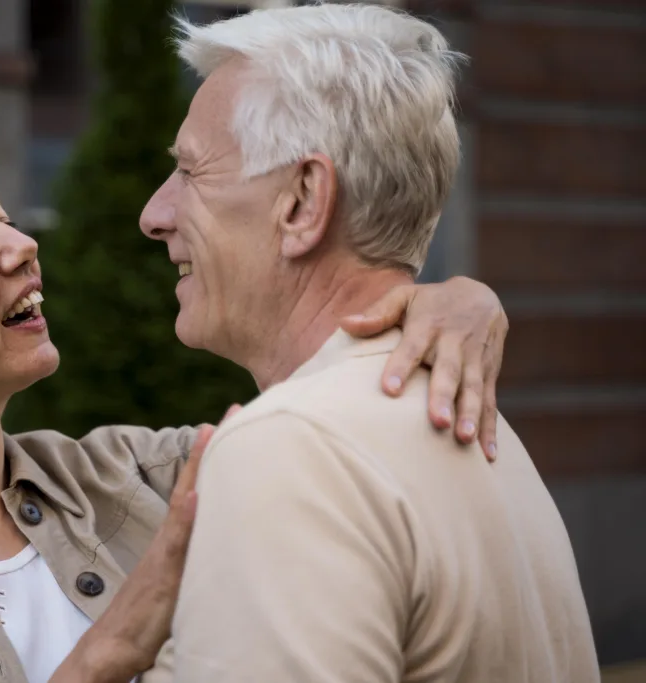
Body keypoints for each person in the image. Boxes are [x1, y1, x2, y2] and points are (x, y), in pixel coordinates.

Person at [0, 134, 507, 683]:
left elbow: (325, 427)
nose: (22, 246)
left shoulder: (135, 474)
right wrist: (118, 639)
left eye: (5, 218)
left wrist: (449, 300)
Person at [138, 5, 599, 682]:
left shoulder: (290, 450)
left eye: (190, 171)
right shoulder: (486, 437)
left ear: (302, 202)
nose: (154, 214)